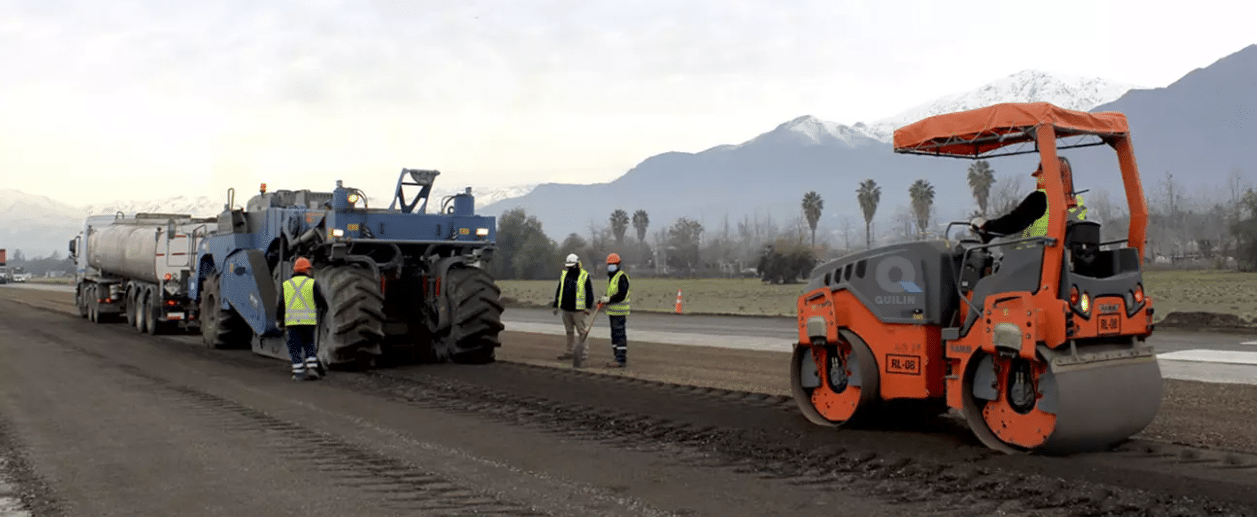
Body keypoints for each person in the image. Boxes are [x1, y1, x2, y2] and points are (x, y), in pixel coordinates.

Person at [970, 156, 1087, 239]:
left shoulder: (1040, 198)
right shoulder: (1076, 203)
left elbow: (1013, 222)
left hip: (1038, 257)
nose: (1037, 179)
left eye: (1040, 175)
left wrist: (986, 226)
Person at [276, 257, 327, 381]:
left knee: (295, 348)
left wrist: (279, 320)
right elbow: (321, 302)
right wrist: (323, 309)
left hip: (292, 323)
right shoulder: (311, 283)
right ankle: (312, 369)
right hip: (308, 323)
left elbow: (281, 305)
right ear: (306, 270)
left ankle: (298, 373)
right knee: (309, 345)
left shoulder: (286, 285)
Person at [551, 253, 594, 362]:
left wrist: (588, 307)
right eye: (568, 266)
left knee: (582, 332)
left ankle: (583, 354)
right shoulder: (564, 275)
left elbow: (589, 293)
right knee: (569, 332)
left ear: (577, 264)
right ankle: (569, 352)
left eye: (571, 266)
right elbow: (559, 290)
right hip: (566, 309)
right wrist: (556, 305)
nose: (569, 268)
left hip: (579, 310)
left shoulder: (584, 275)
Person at [597, 253, 631, 368]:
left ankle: (621, 359)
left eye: (613, 264)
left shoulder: (621, 277)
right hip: (612, 312)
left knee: (619, 335)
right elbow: (610, 293)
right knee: (614, 336)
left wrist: (609, 299)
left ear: (618, 264)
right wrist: (603, 300)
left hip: (620, 312)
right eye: (609, 264)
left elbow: (621, 295)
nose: (610, 266)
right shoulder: (611, 278)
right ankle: (616, 357)